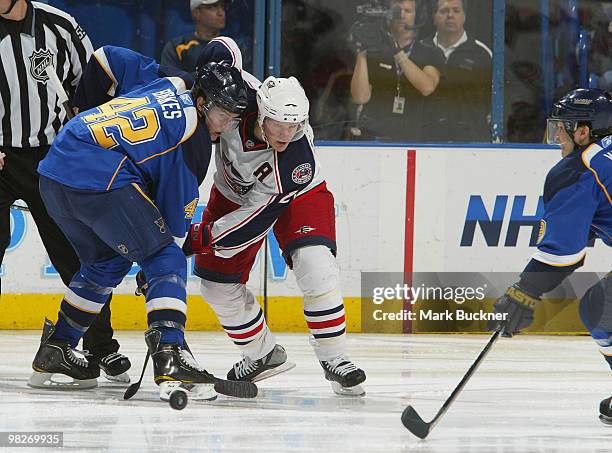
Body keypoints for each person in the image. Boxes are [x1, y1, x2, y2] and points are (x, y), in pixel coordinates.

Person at [29, 54, 248, 398]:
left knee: (105, 263)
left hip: (54, 172)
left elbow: (108, 56)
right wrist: (157, 272)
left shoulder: (172, 82)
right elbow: (174, 228)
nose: (225, 126)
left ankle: (57, 348)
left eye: (234, 120)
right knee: (167, 260)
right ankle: (170, 354)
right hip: (100, 180)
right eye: (222, 115)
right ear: (203, 103)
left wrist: (83, 105)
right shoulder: (195, 140)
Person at [185, 38, 367, 396]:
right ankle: (262, 354)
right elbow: (225, 49)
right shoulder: (238, 97)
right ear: (262, 113)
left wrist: (199, 237)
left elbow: (256, 217)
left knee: (316, 265)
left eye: (295, 125)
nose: (287, 134)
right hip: (230, 191)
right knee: (216, 287)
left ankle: (336, 358)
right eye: (280, 125)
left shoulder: (296, 160)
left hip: (296, 196)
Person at [0, 0, 129, 381]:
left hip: (54, 159)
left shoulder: (60, 25)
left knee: (79, 256)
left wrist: (85, 127)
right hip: (2, 157)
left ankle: (101, 347)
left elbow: (91, 84)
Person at [488, 88, 612, 425]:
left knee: (600, 309)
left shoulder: (578, 170)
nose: (557, 134)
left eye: (563, 126)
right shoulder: (605, 157)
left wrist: (523, 292)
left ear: (583, 131)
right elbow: (579, 238)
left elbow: (563, 252)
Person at [349, 0, 444, 141]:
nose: (401, 15)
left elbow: (427, 87)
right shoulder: (373, 53)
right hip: (373, 137)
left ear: (418, 16)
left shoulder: (430, 52)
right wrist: (362, 51)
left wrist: (396, 50)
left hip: (413, 138)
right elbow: (360, 97)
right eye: (396, 11)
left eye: (408, 11)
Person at [422, 0, 492, 141]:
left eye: (456, 10)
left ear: (464, 16)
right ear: (433, 17)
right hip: (427, 141)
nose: (450, 15)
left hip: (470, 141)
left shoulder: (482, 54)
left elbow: (494, 101)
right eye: (443, 11)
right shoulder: (421, 49)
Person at [161, 0, 250, 74]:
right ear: (196, 13)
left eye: (223, 7)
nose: (221, 13)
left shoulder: (234, 47)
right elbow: (171, 84)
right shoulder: (176, 47)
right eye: (212, 7)